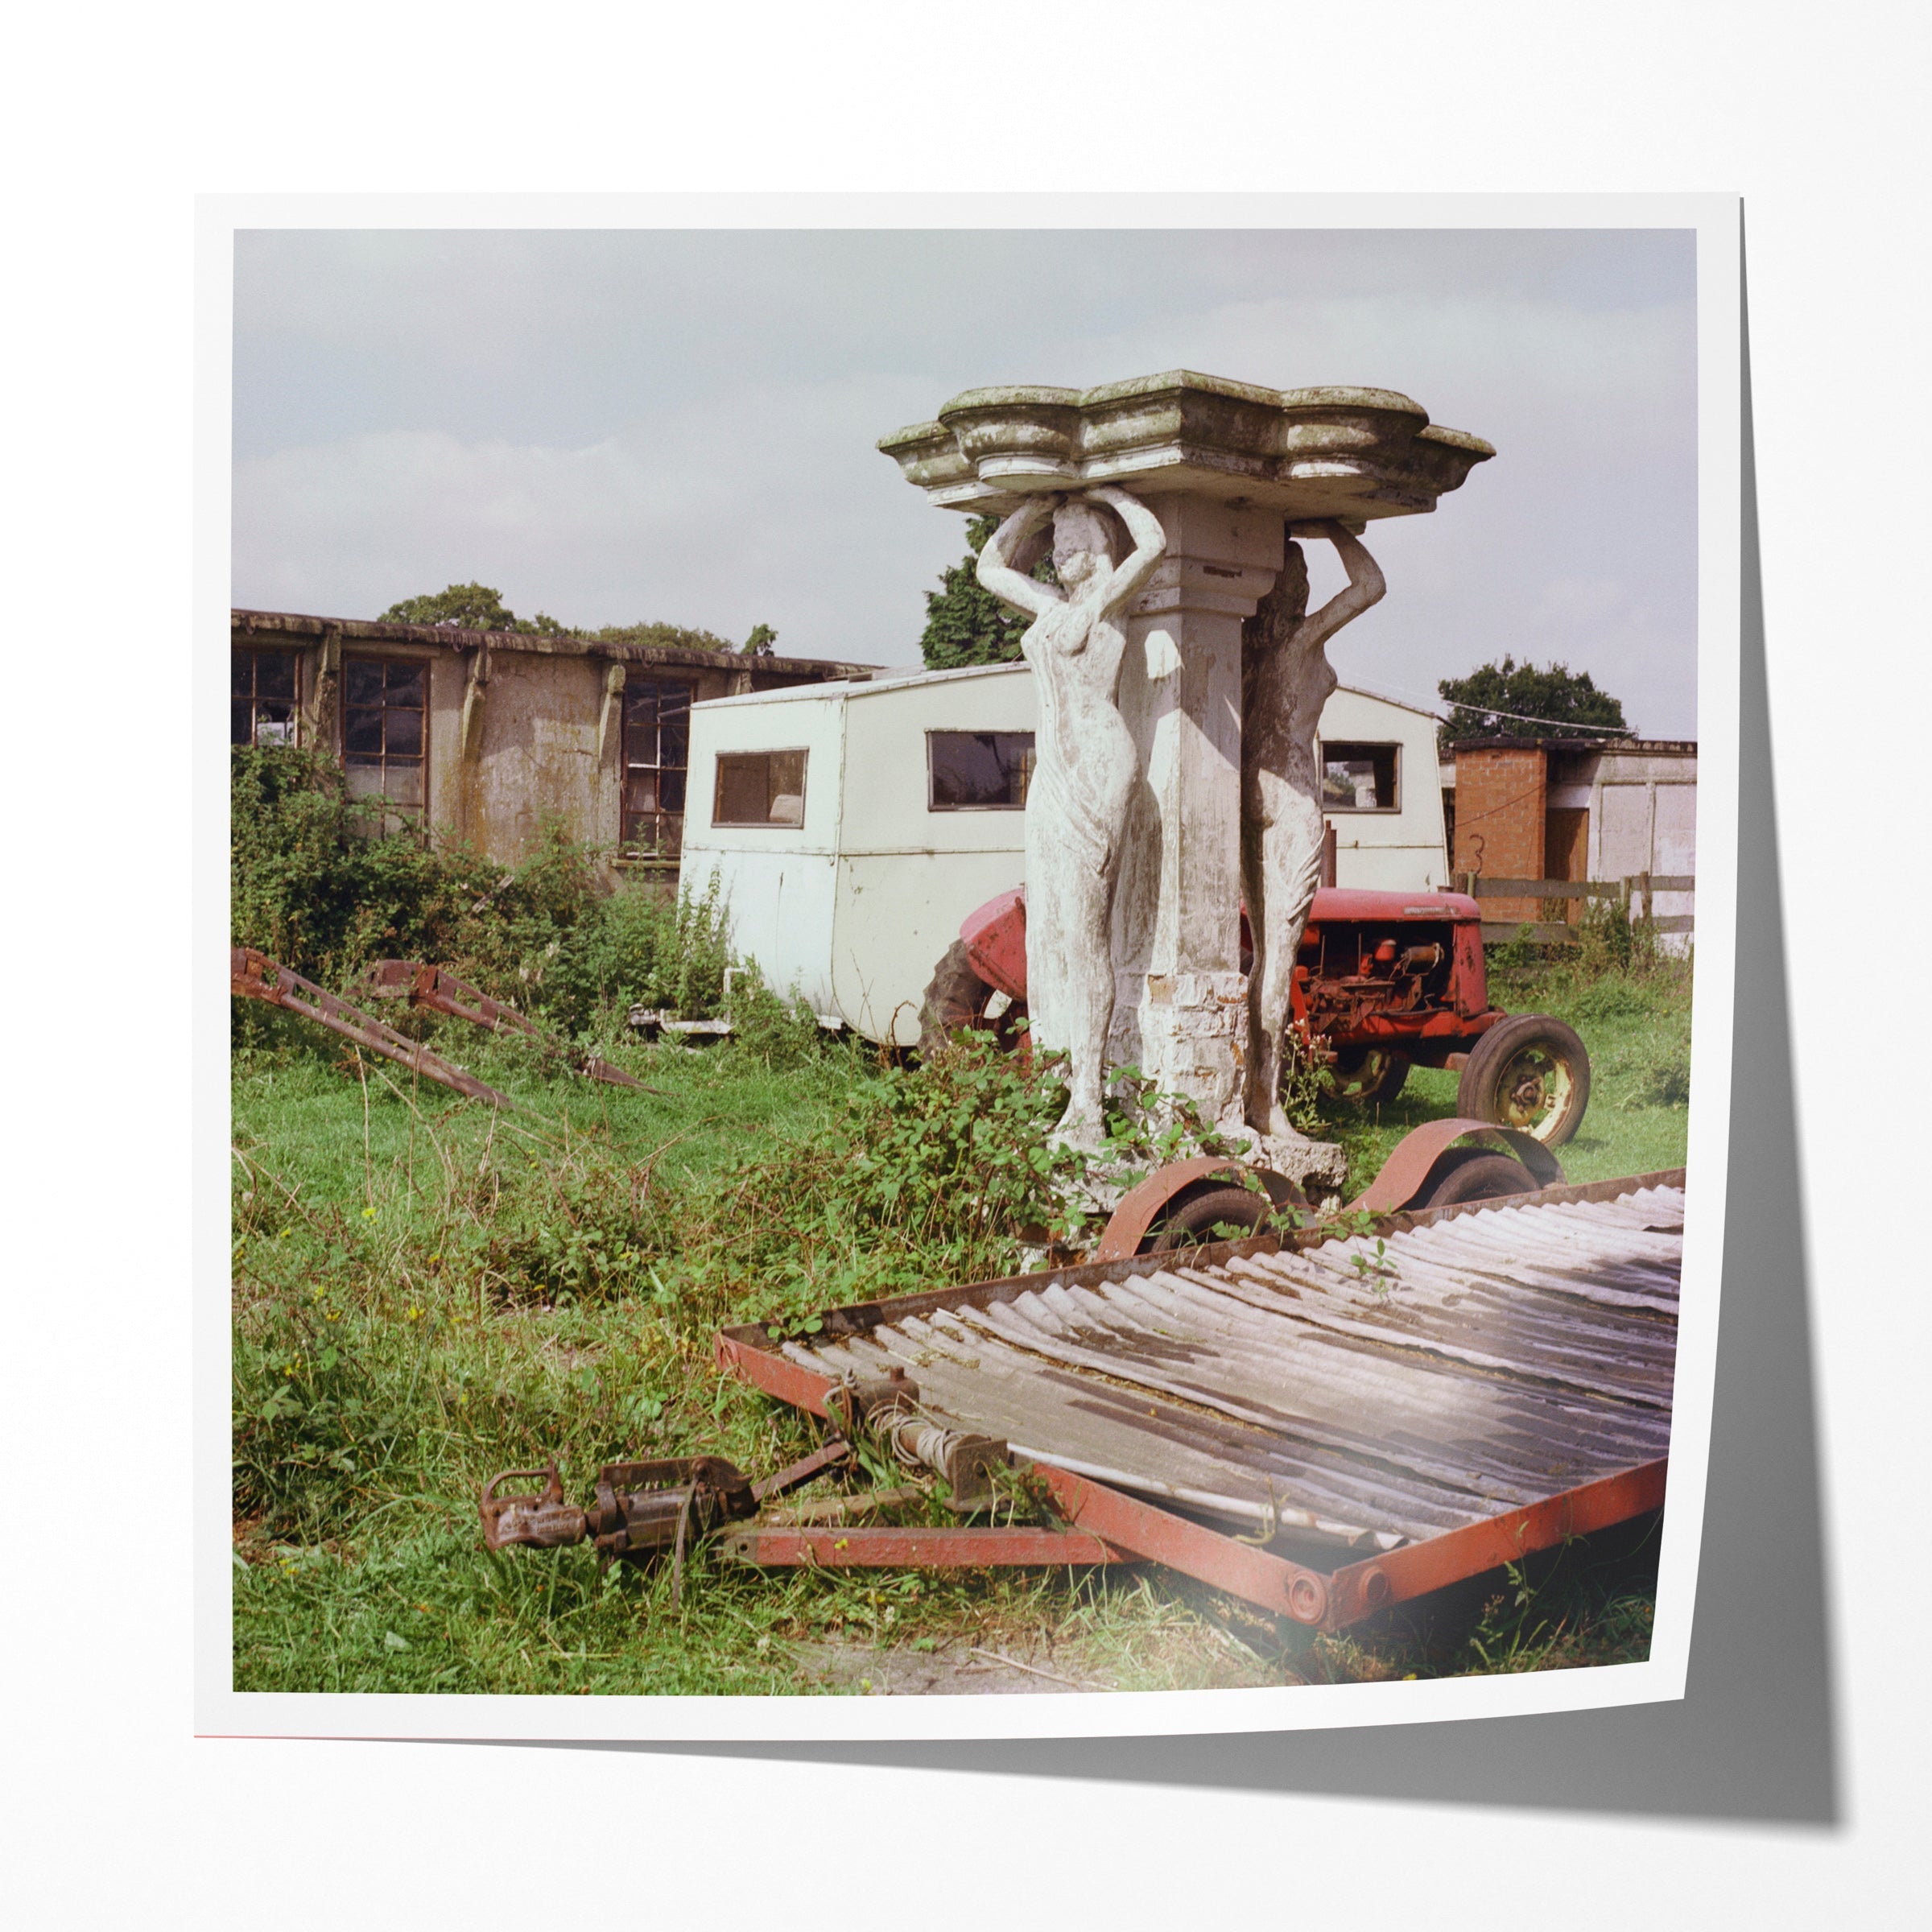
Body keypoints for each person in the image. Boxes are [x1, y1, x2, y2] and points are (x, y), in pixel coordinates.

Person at [976, 485, 1166, 1150]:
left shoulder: (1108, 599)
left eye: (1071, 542)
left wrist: (1111, 494)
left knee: (1085, 932)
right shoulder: (1052, 605)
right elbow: (989, 568)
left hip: (1098, 763)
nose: (1058, 556)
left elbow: (1155, 543)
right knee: (1051, 931)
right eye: (1054, 545)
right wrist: (1036, 506)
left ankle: (1089, 1096)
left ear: (1097, 549)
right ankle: (1063, 1080)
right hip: (1052, 770)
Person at [1241, 519, 1385, 1139]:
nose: (1304, 592)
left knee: (1260, 963)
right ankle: (1264, 1104)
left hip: (1250, 787)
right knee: (1277, 958)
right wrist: (1331, 525)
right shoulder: (1300, 644)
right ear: (1290, 593)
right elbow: (1370, 584)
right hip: (1292, 794)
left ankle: (1254, 1094)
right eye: (1297, 580)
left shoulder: (1244, 645)